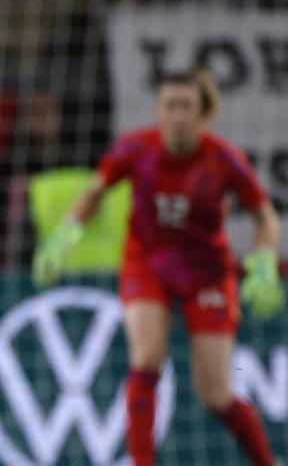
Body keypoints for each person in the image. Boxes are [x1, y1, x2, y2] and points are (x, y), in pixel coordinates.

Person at [33, 68, 283, 466]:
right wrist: (62, 239)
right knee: (147, 357)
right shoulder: (136, 149)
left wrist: (264, 264)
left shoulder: (223, 160)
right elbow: (94, 191)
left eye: (187, 106)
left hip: (207, 272)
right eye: (170, 105)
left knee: (216, 394)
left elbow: (264, 216)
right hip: (148, 263)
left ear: (203, 114)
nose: (178, 115)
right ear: (158, 110)